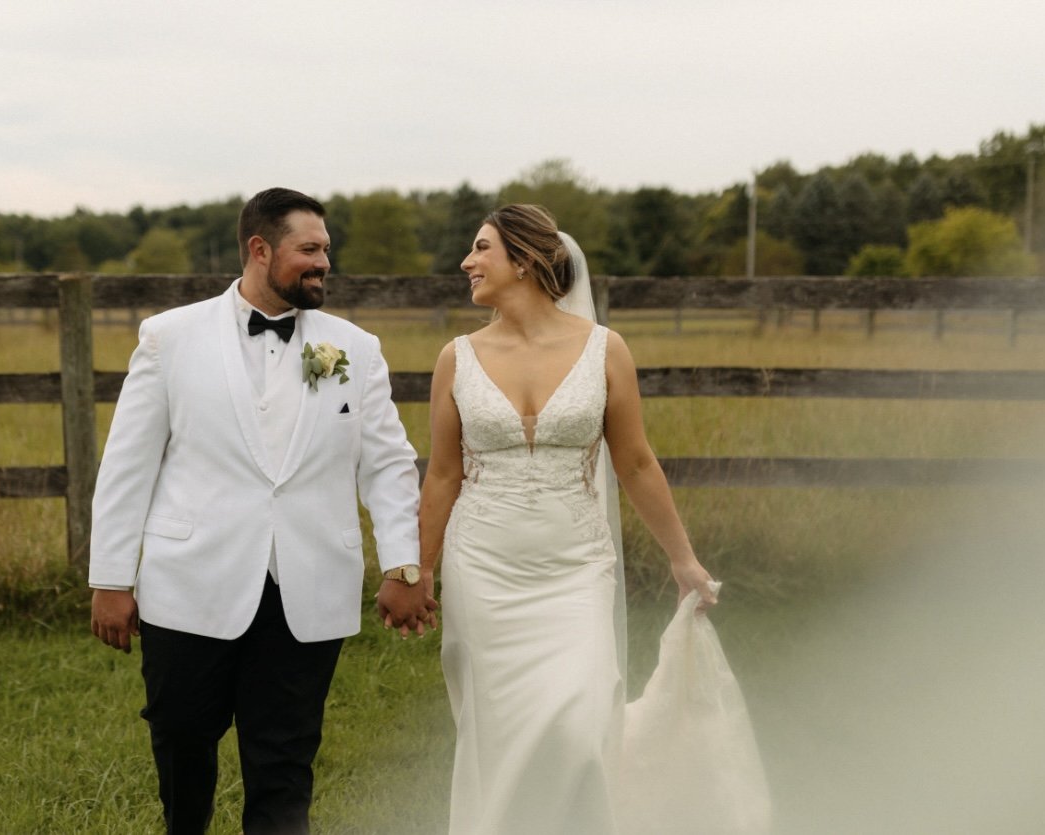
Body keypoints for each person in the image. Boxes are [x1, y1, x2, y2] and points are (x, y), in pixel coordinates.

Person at [87, 187, 434, 835]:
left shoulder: (354, 348)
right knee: (183, 751)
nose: (323, 262)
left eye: (326, 249)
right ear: (259, 249)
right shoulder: (169, 337)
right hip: (188, 585)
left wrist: (403, 562)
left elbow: (387, 463)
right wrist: (111, 577)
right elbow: (128, 466)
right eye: (309, 249)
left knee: (284, 766)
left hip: (306, 592)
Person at [418, 204, 717, 834]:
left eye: (481, 249)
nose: (466, 262)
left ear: (523, 261)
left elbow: (635, 463)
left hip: (574, 567)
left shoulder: (605, 350)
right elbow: (443, 473)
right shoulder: (457, 357)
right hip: (484, 566)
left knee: (579, 725)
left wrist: (682, 558)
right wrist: (420, 569)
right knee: (497, 733)